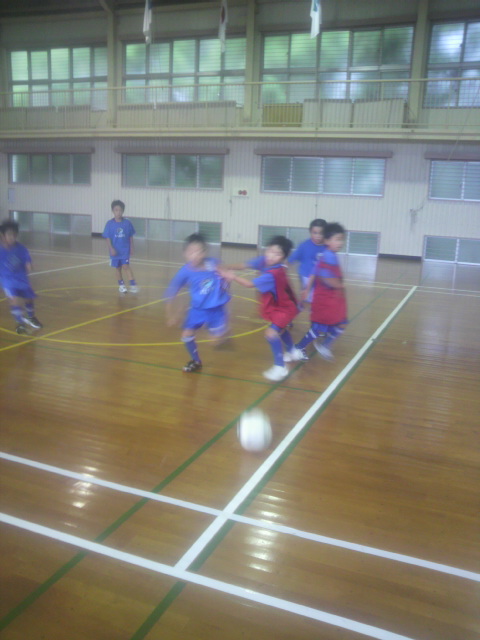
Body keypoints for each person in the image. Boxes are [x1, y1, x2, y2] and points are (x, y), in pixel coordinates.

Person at [221, 236, 302, 382]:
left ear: (283, 258)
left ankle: (280, 367)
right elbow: (244, 265)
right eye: (270, 251)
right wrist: (227, 266)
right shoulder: (264, 261)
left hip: (284, 308)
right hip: (281, 305)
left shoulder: (273, 273)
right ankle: (292, 352)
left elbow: (249, 284)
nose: (271, 255)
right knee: (282, 330)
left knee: (271, 333)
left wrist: (232, 276)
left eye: (277, 254)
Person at [165, 233, 231, 373]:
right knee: (186, 335)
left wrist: (226, 280)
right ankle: (196, 361)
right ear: (185, 254)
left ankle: (222, 332)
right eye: (191, 252)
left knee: (214, 342)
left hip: (215, 310)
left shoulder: (213, 263)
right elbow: (171, 293)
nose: (195, 255)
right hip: (197, 310)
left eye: (198, 251)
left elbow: (225, 276)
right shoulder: (184, 272)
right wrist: (171, 315)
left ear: (205, 252)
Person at [292, 222, 348, 361]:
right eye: (337, 239)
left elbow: (314, 271)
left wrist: (306, 288)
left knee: (341, 322)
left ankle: (325, 345)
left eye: (342, 239)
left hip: (332, 299)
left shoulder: (328, 254)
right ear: (327, 240)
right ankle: (299, 347)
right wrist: (340, 285)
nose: (340, 242)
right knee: (320, 327)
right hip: (325, 299)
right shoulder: (328, 256)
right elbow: (325, 277)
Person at [0, 219, 43, 334]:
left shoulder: (21, 249)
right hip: (7, 281)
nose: (12, 237)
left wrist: (29, 266)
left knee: (29, 298)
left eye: (14, 235)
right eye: (9, 234)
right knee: (14, 300)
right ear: (3, 236)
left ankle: (31, 317)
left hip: (21, 279)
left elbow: (28, 262)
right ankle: (20, 323)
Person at [102, 200, 138, 293]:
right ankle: (121, 285)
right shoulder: (109, 224)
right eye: (116, 210)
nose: (118, 212)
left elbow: (130, 236)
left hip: (124, 250)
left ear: (123, 211)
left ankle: (133, 285)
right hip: (115, 251)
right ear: (113, 211)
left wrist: (132, 247)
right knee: (118, 268)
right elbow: (107, 237)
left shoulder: (127, 223)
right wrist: (111, 248)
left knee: (126, 266)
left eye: (120, 210)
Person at [288, 218, 327, 303]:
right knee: (308, 298)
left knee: (319, 298)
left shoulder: (327, 246)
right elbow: (292, 258)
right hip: (306, 276)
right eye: (315, 233)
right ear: (310, 232)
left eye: (321, 233)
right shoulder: (304, 245)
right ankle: (302, 305)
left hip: (320, 277)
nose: (318, 236)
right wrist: (284, 265)